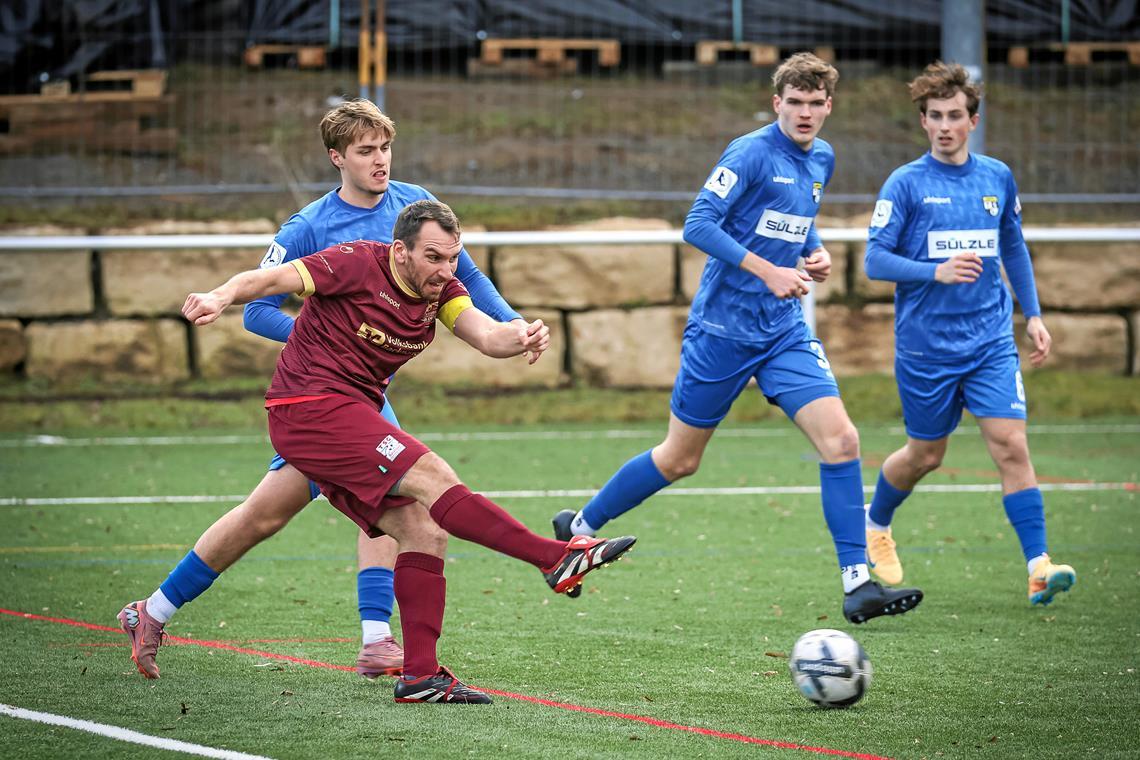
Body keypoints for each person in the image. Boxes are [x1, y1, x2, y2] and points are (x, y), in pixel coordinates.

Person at [154, 200, 635, 703]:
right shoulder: (355, 261)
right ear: (400, 251)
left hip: (351, 416)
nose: (446, 270)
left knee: (421, 529)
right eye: (434, 257)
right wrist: (220, 294)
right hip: (307, 407)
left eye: (453, 257)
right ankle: (553, 558)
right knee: (431, 474)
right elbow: (266, 282)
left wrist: (515, 336)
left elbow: (485, 335)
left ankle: (421, 676)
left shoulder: (442, 291)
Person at [116, 100, 528, 681]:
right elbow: (259, 310)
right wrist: (327, 343)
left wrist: (511, 321)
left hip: (361, 393)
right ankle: (382, 640)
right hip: (323, 394)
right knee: (395, 499)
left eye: (385, 148)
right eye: (365, 151)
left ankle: (154, 611)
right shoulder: (309, 227)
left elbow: (468, 278)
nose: (379, 161)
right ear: (337, 158)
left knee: (269, 513)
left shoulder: (415, 207)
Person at [551, 53, 922, 624]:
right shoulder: (749, 152)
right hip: (721, 333)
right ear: (777, 104)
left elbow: (794, 216)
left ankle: (857, 584)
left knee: (842, 441)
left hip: (782, 333)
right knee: (679, 459)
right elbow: (698, 224)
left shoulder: (821, 156)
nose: (804, 113)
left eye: (814, 103)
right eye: (793, 103)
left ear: (829, 106)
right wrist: (767, 270)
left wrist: (810, 252)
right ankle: (577, 530)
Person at [861, 61, 1075, 606]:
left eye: (955, 115)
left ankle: (1038, 566)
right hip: (926, 348)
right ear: (924, 122)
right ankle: (877, 522)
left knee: (1011, 444)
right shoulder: (906, 184)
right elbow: (875, 261)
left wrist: (1034, 314)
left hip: (989, 341)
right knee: (925, 454)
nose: (944, 126)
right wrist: (934, 270)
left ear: (972, 119)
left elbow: (1013, 246)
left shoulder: (996, 176)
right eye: (935, 116)